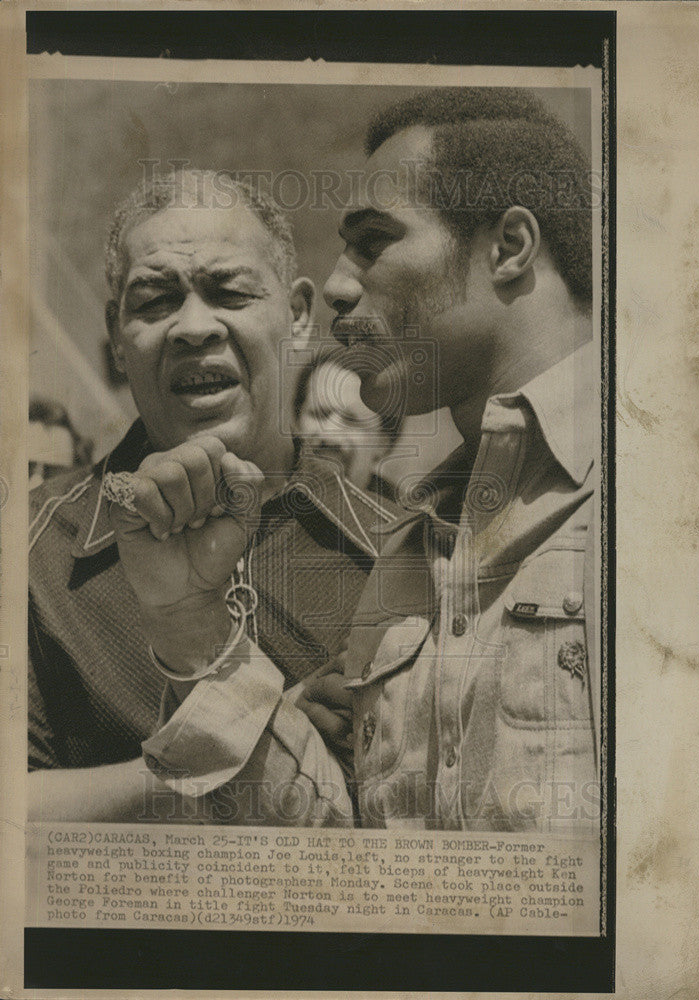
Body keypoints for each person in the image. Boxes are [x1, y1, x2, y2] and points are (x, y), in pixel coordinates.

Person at [106, 87, 600, 832]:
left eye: (373, 242)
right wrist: (194, 627)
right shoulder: (414, 537)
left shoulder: (665, 495)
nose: (340, 285)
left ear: (508, 249)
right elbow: (348, 862)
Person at [28, 169, 399, 823]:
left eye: (229, 291)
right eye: (154, 301)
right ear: (116, 335)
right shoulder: (25, 555)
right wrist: (251, 746)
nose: (193, 327)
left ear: (299, 315)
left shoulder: (400, 552)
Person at [294, 345, 402, 502]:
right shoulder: (259, 510)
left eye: (351, 420)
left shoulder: (413, 524)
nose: (329, 433)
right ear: (296, 423)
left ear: (383, 443)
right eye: (318, 414)